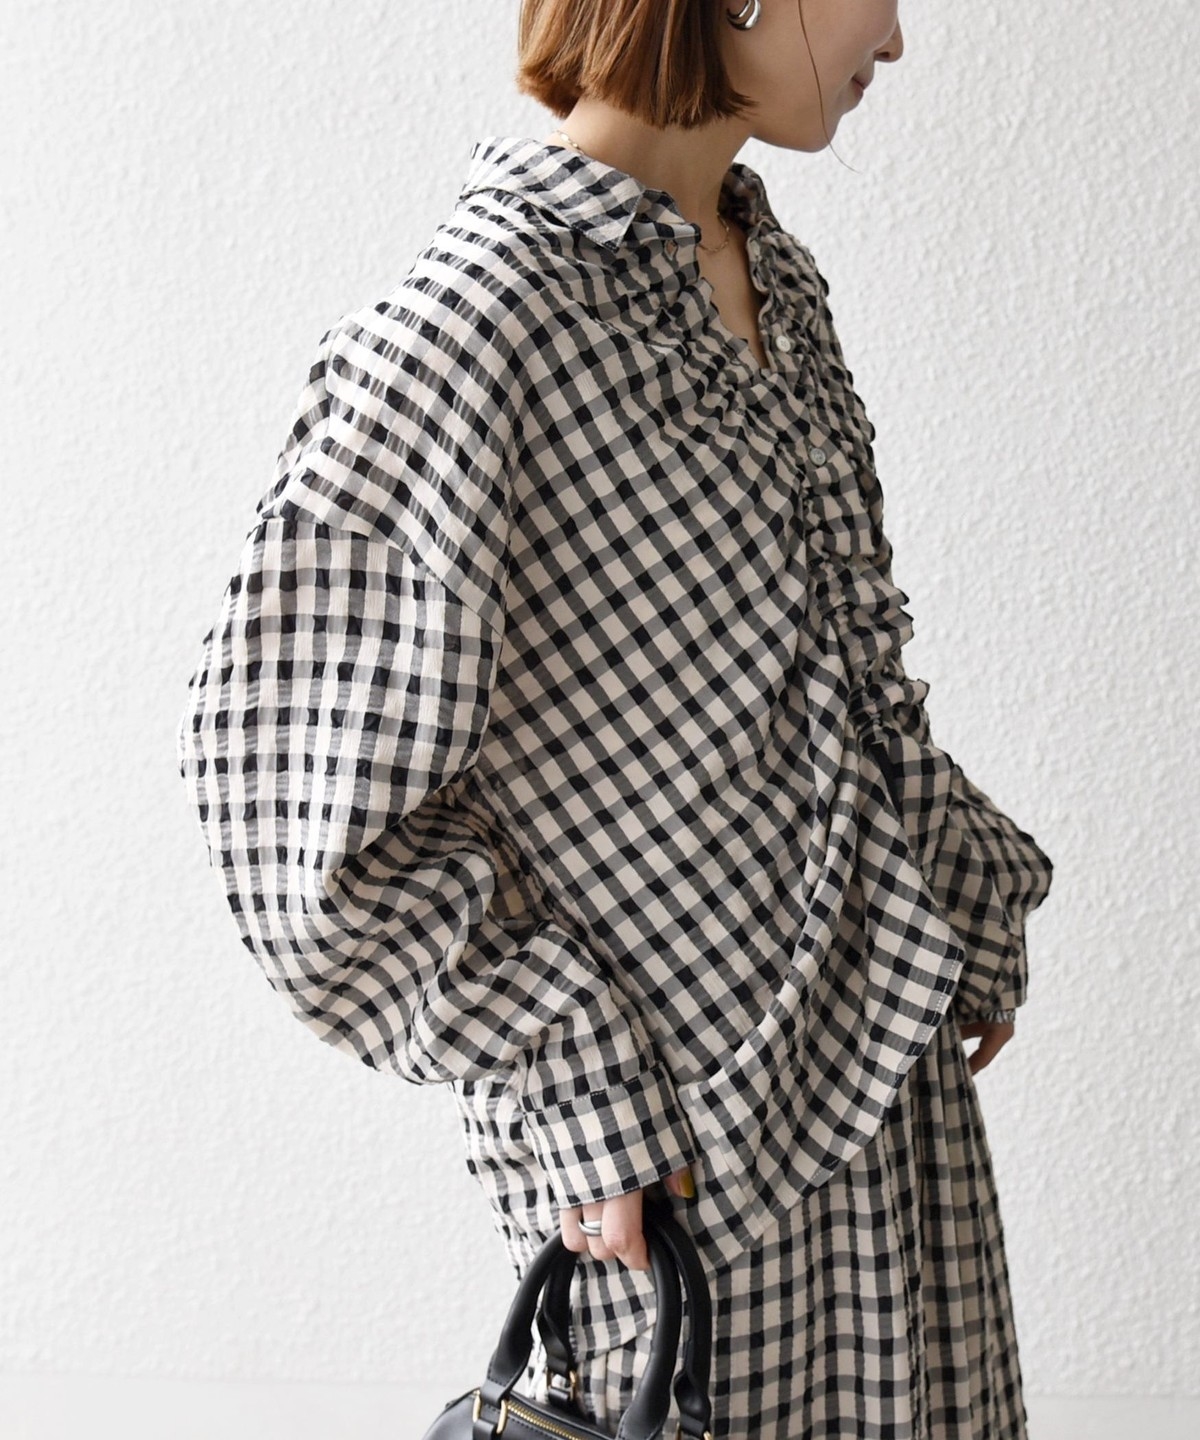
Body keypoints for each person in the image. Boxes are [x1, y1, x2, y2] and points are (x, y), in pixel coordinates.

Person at [175, 1, 1054, 1435]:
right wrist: (566, 1078)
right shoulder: (475, 326)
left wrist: (961, 892)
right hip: (686, 1175)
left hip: (898, 1092)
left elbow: (831, 687)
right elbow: (292, 812)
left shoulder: (768, 273)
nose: (896, 36)